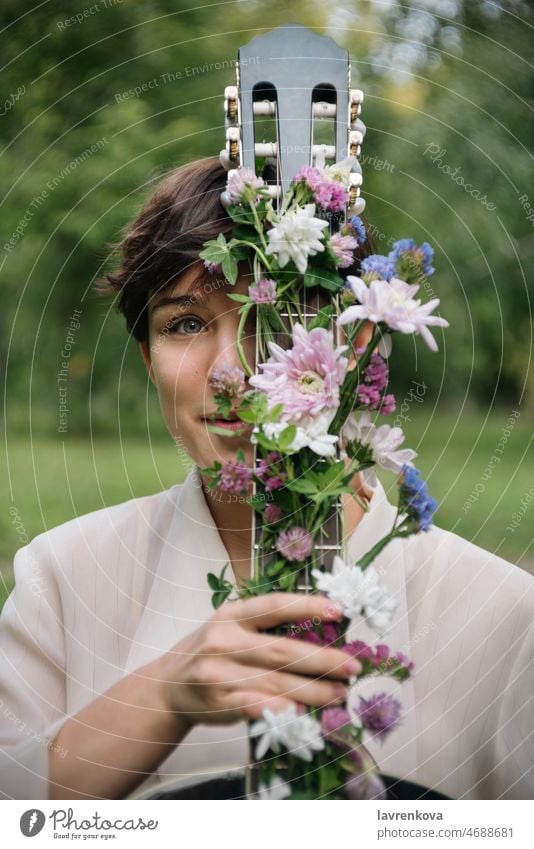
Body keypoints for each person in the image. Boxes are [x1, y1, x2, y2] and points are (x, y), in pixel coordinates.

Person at [0, 158, 532, 801]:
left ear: (358, 339)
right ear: (148, 360)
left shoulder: (507, 618)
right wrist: (167, 693)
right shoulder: (62, 580)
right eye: (186, 324)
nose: (232, 371)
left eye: (276, 315)